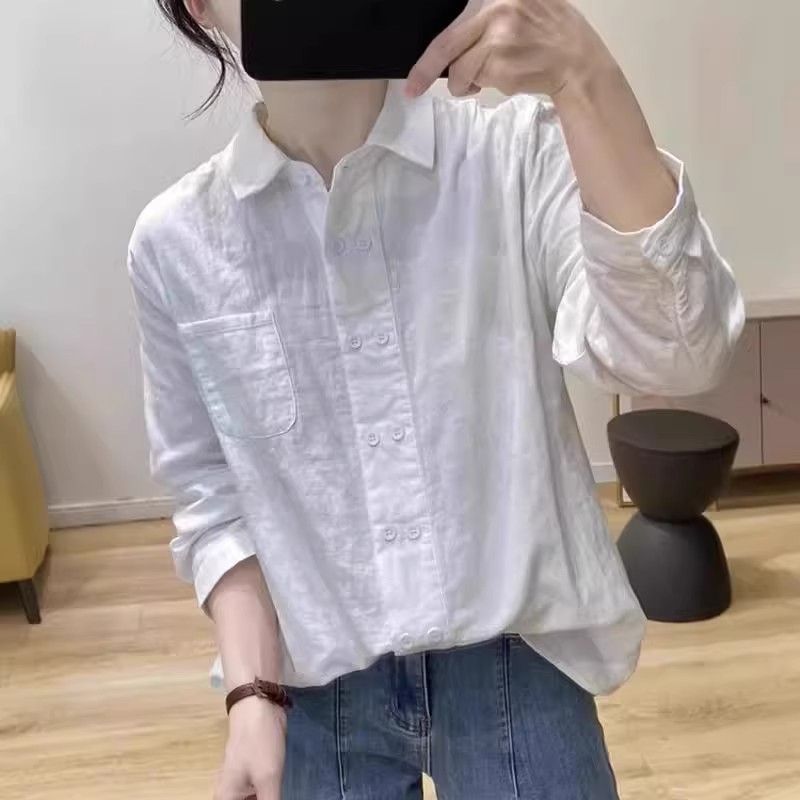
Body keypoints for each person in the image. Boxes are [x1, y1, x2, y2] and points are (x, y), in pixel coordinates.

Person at [128, 1, 744, 798]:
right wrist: (252, 692)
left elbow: (679, 356)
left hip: (522, 664)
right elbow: (209, 495)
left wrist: (586, 76)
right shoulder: (179, 242)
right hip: (312, 688)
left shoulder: (513, 156)